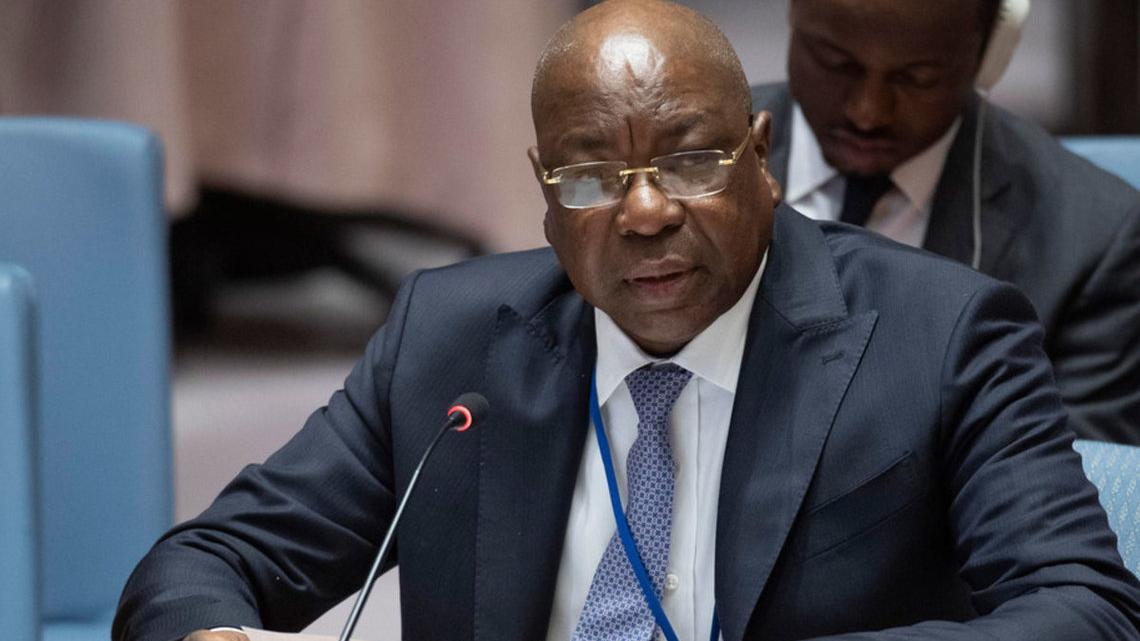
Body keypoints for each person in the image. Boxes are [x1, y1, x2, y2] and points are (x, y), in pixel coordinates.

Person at [114, 1, 1140, 640]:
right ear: (544, 192)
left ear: (762, 159)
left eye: (690, 161)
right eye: (593, 177)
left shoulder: (942, 334)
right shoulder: (450, 339)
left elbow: (1084, 607)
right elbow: (200, 568)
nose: (645, 213)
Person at [752, 0, 1140, 444]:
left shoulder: (1097, 240)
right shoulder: (692, 159)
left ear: (988, 58)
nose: (867, 113)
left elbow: (1079, 468)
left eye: (918, 78)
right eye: (835, 63)